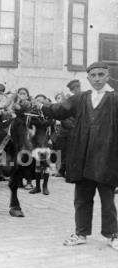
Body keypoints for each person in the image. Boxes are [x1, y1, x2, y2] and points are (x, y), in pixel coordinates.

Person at [38, 61, 118, 250]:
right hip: (82, 157)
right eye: (93, 75)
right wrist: (41, 106)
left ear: (107, 76)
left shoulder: (115, 98)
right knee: (82, 198)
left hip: (106, 158)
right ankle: (81, 233)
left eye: (101, 75)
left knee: (107, 199)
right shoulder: (80, 98)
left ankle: (113, 235)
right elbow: (59, 110)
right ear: (88, 78)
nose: (97, 79)